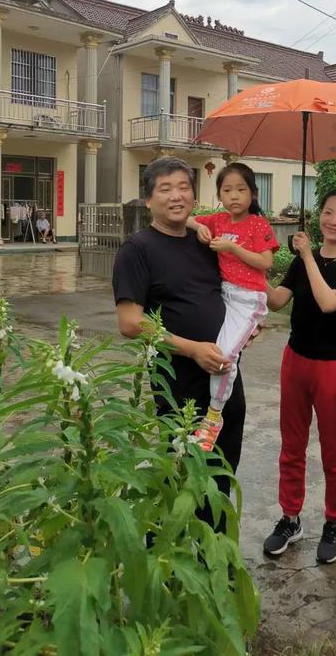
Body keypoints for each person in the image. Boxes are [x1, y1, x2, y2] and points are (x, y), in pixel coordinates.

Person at [112, 156, 245, 512]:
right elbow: (130, 323)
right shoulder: (137, 250)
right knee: (184, 478)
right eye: (165, 189)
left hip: (226, 380)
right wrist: (193, 349)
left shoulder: (205, 242)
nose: (176, 196)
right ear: (148, 200)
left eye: (184, 187)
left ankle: (217, 543)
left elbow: (233, 291)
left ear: (194, 196)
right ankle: (176, 544)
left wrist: (246, 326)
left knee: (222, 475)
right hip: (180, 389)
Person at [263, 188, 336, 563]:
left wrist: (308, 254)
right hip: (295, 360)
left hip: (333, 367)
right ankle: (290, 518)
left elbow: (328, 303)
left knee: (334, 453)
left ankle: (333, 522)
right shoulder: (300, 262)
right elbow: (276, 300)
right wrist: (246, 266)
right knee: (291, 447)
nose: (333, 221)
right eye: (328, 212)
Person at [186, 162, 279, 451]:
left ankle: (214, 417)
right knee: (215, 351)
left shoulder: (258, 224)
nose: (234, 196)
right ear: (220, 195)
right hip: (223, 294)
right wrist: (200, 227)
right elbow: (188, 218)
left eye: (241, 189)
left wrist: (233, 248)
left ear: (253, 193)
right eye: (227, 190)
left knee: (224, 357)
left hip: (248, 300)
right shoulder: (219, 220)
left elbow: (266, 262)